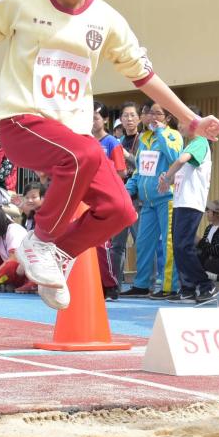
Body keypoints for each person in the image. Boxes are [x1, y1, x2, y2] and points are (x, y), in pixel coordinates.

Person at [0, 0, 219, 310]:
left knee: (119, 209)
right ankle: (41, 241)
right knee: (82, 156)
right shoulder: (22, 0)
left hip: (72, 135)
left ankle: (56, 256)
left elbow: (143, 75)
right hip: (22, 120)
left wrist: (189, 120)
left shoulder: (106, 20)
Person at [123, 102, 183, 299]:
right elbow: (140, 171)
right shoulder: (144, 139)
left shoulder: (172, 135)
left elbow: (175, 157)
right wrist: (126, 191)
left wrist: (161, 133)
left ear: (167, 118)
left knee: (167, 244)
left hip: (167, 199)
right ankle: (141, 284)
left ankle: (169, 286)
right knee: (143, 243)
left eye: (158, 113)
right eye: (150, 113)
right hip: (147, 202)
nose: (153, 117)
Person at [162, 105, 218, 304]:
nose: (180, 124)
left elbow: (182, 160)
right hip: (181, 202)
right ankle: (187, 288)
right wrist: (168, 178)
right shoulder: (191, 144)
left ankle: (206, 285)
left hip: (191, 203)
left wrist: (167, 176)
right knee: (179, 247)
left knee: (184, 246)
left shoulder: (200, 142)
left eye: (184, 120)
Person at [93, 101, 125, 298]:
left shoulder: (112, 143)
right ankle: (94, 283)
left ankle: (109, 284)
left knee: (102, 244)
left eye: (95, 117)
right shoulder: (84, 140)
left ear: (105, 119)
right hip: (85, 198)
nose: (91, 121)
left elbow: (121, 172)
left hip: (106, 197)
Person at [110, 101, 142, 285]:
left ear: (139, 118)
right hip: (120, 198)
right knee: (117, 245)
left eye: (132, 115)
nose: (129, 119)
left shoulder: (145, 139)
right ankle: (115, 282)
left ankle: (145, 283)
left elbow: (145, 166)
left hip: (138, 198)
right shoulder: (117, 142)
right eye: (125, 116)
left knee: (141, 243)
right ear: (120, 119)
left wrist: (127, 156)